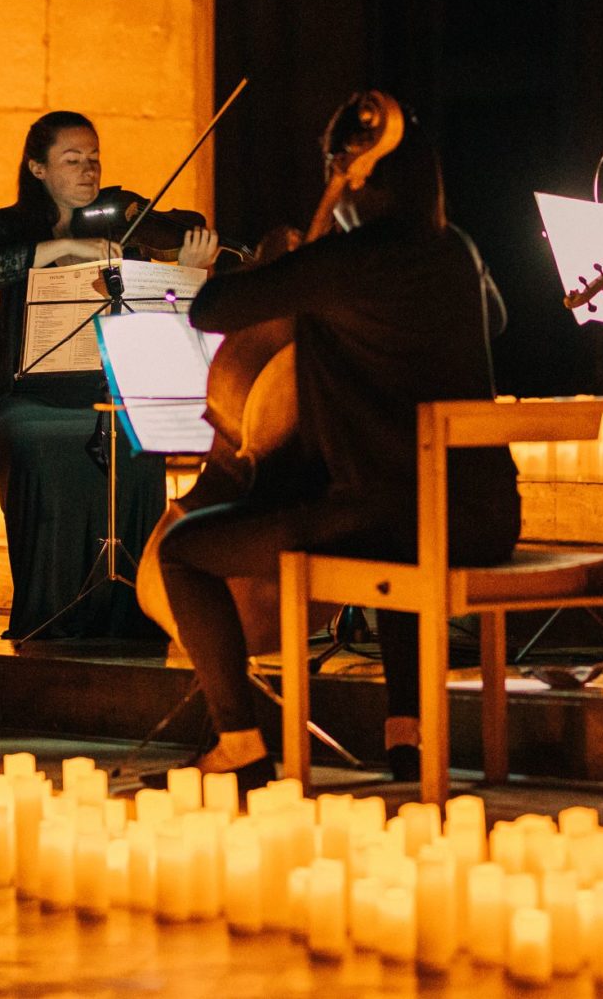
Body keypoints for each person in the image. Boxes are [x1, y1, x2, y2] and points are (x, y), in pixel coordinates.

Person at [154, 96, 519, 791]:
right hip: (482, 515)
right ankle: (407, 735)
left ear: (355, 176)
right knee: (398, 541)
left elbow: (213, 308)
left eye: (337, 168)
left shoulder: (348, 260)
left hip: (387, 512)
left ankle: (238, 745)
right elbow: (494, 317)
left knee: (183, 551)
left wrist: (327, 208)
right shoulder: (454, 248)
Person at [0, 110, 220, 641]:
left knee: (135, 443)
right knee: (39, 441)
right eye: (72, 159)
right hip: (22, 400)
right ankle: (52, 616)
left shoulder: (123, 230)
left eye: (94, 159)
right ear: (38, 168)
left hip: (103, 395)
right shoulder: (10, 226)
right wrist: (64, 248)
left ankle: (130, 611)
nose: (88, 170)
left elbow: (163, 305)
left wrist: (190, 272)